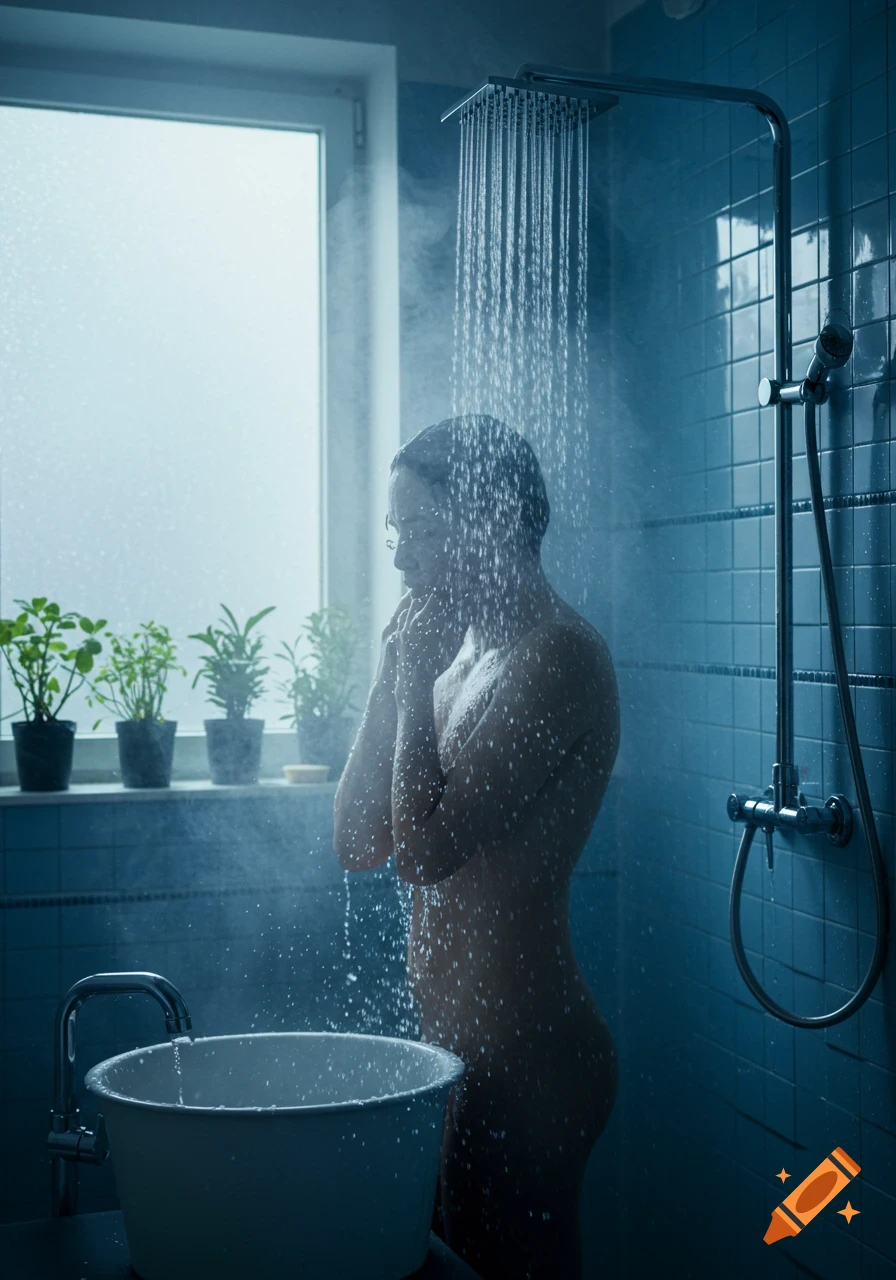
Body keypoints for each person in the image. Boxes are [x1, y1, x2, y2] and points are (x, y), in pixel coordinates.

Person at [333, 415, 619, 1279]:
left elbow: (423, 854)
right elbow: (356, 841)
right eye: (397, 530)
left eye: (419, 530)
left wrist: (414, 681)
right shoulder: (456, 661)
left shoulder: (558, 658)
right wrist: (395, 677)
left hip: (531, 1058)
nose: (400, 557)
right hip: (459, 1053)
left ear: (490, 521)